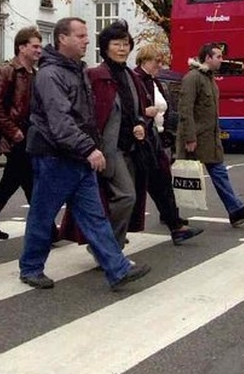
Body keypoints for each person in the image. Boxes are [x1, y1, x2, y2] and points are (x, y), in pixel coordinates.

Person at [19, 17, 150, 290]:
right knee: (43, 216)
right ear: (62, 39)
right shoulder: (50, 74)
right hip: (54, 157)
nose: (86, 40)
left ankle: (117, 269)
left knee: (96, 218)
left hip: (76, 158)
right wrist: (89, 148)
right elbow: (60, 122)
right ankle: (30, 268)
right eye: (80, 35)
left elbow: (86, 117)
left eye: (86, 35)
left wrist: (91, 147)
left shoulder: (75, 70)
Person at [60, 20, 146, 248]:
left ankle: (108, 245)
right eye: (116, 44)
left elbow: (137, 111)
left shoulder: (132, 77)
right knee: (127, 196)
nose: (122, 48)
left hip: (131, 149)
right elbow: (88, 114)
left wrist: (140, 124)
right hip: (108, 148)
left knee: (118, 198)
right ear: (105, 47)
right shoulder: (96, 76)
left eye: (126, 44)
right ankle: (108, 247)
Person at [176, 43, 244, 227]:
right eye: (219, 56)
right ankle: (169, 213)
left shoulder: (210, 79)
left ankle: (236, 211)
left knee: (219, 174)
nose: (222, 60)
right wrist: (189, 138)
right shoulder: (192, 78)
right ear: (207, 58)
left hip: (210, 140)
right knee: (180, 175)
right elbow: (185, 109)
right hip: (195, 139)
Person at [0, 26, 43, 239]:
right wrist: (12, 132)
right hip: (17, 137)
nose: (39, 50)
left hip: (30, 135)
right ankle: (45, 230)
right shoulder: (5, 72)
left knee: (12, 181)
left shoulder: (36, 74)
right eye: (35, 46)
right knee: (30, 183)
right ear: (21, 47)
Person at [133, 43, 203, 244]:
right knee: (146, 187)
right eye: (157, 61)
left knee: (161, 183)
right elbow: (132, 108)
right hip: (144, 139)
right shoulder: (138, 79)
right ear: (146, 59)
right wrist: (145, 113)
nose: (160, 65)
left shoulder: (152, 80)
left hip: (157, 137)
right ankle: (173, 222)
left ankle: (174, 223)